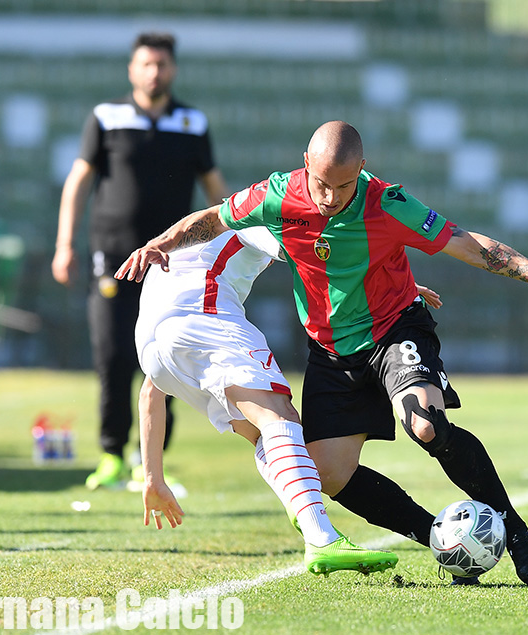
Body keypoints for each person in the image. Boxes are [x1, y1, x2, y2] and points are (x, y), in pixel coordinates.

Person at [116, 120, 528, 585]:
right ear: (306, 164)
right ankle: (437, 538)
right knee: (325, 472)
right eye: (322, 184)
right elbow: (213, 217)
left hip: (394, 329)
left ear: (363, 169)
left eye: (343, 187)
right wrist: (159, 244)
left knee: (426, 424)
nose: (330, 198)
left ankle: (515, 530)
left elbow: (464, 242)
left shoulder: (388, 202)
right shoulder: (279, 195)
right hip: (330, 352)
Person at [132, 222, 399, 576]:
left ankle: (302, 507)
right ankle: (321, 537)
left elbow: (151, 392)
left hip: (153, 354)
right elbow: (309, 257)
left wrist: (153, 478)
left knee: (262, 434)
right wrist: (387, 291)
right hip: (205, 319)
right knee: (280, 418)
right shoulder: (254, 222)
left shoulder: (182, 251)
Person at [52, 31, 228, 490]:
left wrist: (232, 239)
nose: (155, 72)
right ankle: (111, 454)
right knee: (112, 354)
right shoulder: (106, 117)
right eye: (146, 64)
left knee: (164, 354)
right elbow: (78, 182)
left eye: (162, 65)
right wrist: (64, 245)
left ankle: (146, 461)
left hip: (173, 262)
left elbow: (216, 193)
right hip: (111, 255)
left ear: (173, 69)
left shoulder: (192, 122)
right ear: (132, 70)